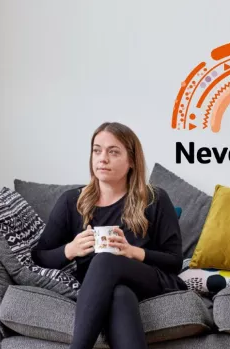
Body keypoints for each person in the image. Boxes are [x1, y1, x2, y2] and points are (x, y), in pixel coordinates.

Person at [32, 121, 187, 349]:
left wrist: (132, 252)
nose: (102, 158)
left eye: (113, 152)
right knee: (120, 295)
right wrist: (70, 250)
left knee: (105, 258)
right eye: (97, 150)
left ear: (131, 161)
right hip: (102, 289)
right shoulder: (71, 202)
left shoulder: (155, 199)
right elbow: (39, 256)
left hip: (151, 280)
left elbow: (174, 262)